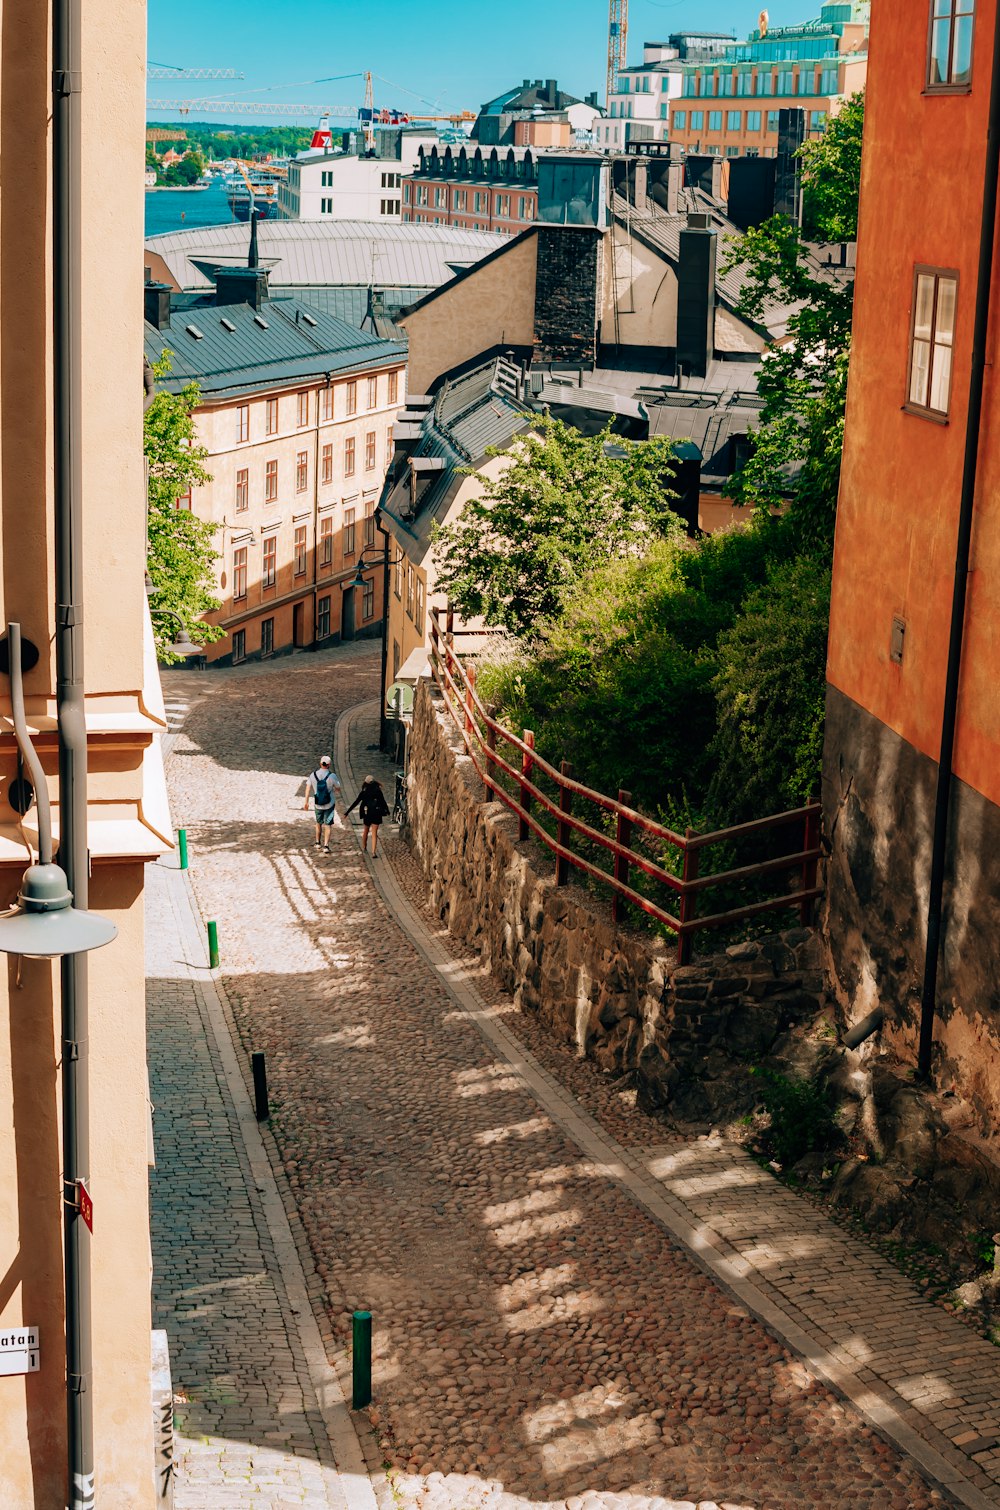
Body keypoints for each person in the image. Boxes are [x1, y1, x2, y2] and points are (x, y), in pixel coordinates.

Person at [303, 756, 342, 851]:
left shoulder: (313, 775)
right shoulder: (332, 776)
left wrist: (306, 802)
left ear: (320, 763)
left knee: (318, 823)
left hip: (318, 804)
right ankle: (326, 846)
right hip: (329, 803)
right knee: (328, 824)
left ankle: (317, 842)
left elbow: (308, 788)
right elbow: (338, 788)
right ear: (329, 765)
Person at [345, 774, 390, 857]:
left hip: (367, 813)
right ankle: (373, 852)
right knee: (374, 833)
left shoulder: (364, 792)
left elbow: (356, 802)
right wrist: (387, 811)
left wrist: (347, 812)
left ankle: (364, 847)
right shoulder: (378, 791)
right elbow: (383, 802)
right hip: (376, 813)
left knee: (366, 830)